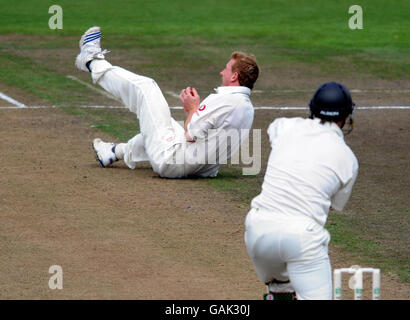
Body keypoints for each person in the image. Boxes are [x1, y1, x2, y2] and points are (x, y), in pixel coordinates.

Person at [75, 26, 259, 178]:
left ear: (234, 76)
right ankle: (114, 152)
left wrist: (192, 108)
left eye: (226, 69)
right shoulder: (247, 107)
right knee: (161, 122)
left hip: (172, 160)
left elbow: (190, 133)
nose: (221, 72)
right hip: (202, 168)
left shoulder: (226, 100)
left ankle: (91, 61)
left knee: (146, 87)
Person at [244, 82, 358, 300]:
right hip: (302, 238)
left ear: (312, 109)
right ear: (345, 117)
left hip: (257, 229)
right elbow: (334, 204)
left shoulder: (284, 126)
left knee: (282, 286)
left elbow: (272, 131)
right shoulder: (348, 159)